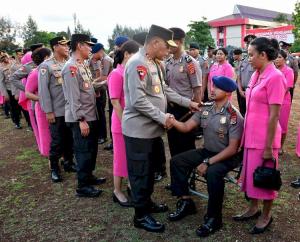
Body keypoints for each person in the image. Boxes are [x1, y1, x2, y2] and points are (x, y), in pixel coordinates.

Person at [122, 24, 200, 233]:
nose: (168, 51)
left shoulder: (153, 62)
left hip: (152, 130)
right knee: (140, 173)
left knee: (150, 171)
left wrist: (187, 102)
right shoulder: (137, 63)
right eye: (166, 47)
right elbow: (138, 100)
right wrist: (162, 117)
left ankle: (146, 204)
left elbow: (163, 90)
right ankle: (140, 215)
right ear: (155, 43)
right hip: (139, 131)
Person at [167, 76, 243, 237]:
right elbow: (187, 127)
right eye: (213, 86)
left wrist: (208, 162)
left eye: (218, 88)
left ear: (228, 92)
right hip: (208, 151)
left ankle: (214, 218)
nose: (213, 89)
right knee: (177, 161)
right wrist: (172, 121)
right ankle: (186, 200)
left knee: (213, 173)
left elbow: (233, 148)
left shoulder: (234, 116)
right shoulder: (206, 108)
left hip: (228, 156)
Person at [233, 37, 285, 234]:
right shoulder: (256, 74)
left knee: (266, 178)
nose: (249, 59)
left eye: (251, 55)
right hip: (251, 135)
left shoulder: (275, 77)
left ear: (263, 55)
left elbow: (274, 116)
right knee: (251, 177)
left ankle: (266, 215)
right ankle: (253, 208)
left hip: (264, 139)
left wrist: (268, 146)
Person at [62, 34, 106, 198]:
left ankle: (89, 176)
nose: (90, 49)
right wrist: (81, 120)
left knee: (91, 149)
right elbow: (73, 97)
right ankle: (82, 186)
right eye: (88, 46)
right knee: (83, 151)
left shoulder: (82, 65)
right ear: (79, 46)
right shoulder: (71, 67)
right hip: (81, 117)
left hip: (90, 114)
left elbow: (85, 87)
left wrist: (99, 86)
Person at [38, 36, 76, 183]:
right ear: (55, 47)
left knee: (69, 139)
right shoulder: (45, 66)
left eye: (68, 45)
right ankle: (54, 168)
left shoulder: (68, 63)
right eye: (63, 45)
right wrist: (48, 111)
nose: (67, 47)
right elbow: (43, 91)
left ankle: (68, 162)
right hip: (57, 110)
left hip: (69, 109)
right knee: (57, 141)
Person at [108, 40, 140, 207]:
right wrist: (126, 123)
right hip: (121, 124)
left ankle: (129, 186)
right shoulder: (116, 73)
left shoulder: (128, 71)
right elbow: (115, 102)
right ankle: (117, 191)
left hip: (130, 123)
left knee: (129, 158)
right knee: (120, 158)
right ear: (127, 54)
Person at [165, 27, 202, 157]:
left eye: (171, 42)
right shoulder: (168, 62)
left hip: (186, 110)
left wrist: (196, 112)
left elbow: (197, 89)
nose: (167, 45)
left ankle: (188, 173)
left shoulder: (190, 63)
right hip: (171, 108)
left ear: (180, 41)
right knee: (173, 143)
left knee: (186, 145)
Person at [25, 47, 52, 157]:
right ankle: (53, 164)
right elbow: (28, 93)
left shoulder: (50, 70)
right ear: (46, 58)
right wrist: (43, 98)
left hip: (54, 106)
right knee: (46, 135)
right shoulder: (35, 73)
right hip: (42, 108)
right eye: (51, 56)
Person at [274, 49, 294, 155]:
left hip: (283, 101)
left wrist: (276, 96)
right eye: (276, 57)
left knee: (282, 125)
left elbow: (287, 87)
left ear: (284, 59)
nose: (277, 59)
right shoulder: (272, 70)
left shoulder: (288, 71)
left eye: (279, 57)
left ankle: (280, 146)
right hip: (272, 101)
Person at [0, 53, 22, 129]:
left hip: (18, 87)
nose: (5, 58)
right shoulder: (1, 68)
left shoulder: (13, 64)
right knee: (13, 107)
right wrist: (5, 94)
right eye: (3, 57)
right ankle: (17, 122)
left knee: (21, 105)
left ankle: (29, 122)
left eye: (6, 56)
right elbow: (1, 82)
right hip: (9, 89)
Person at [236, 35, 256, 116]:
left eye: (251, 43)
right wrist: (240, 90)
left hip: (252, 92)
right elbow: (238, 77)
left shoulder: (258, 61)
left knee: (251, 113)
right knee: (242, 111)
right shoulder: (242, 61)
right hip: (242, 91)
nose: (248, 46)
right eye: (247, 44)